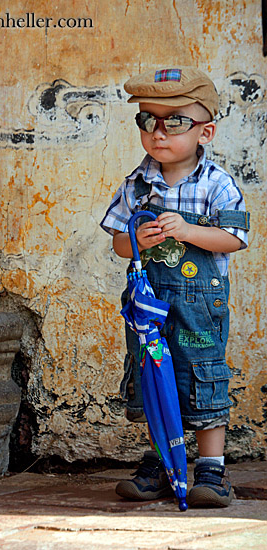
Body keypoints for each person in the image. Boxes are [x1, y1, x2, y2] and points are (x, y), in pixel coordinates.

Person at [100, 67, 250, 508]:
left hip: (200, 307)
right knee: (153, 376)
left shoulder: (216, 184)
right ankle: (161, 460)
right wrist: (135, 241)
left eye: (175, 122)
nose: (159, 133)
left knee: (202, 375)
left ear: (206, 131)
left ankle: (211, 467)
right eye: (148, 121)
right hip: (150, 306)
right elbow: (118, 243)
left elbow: (234, 238)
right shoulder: (137, 184)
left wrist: (186, 231)